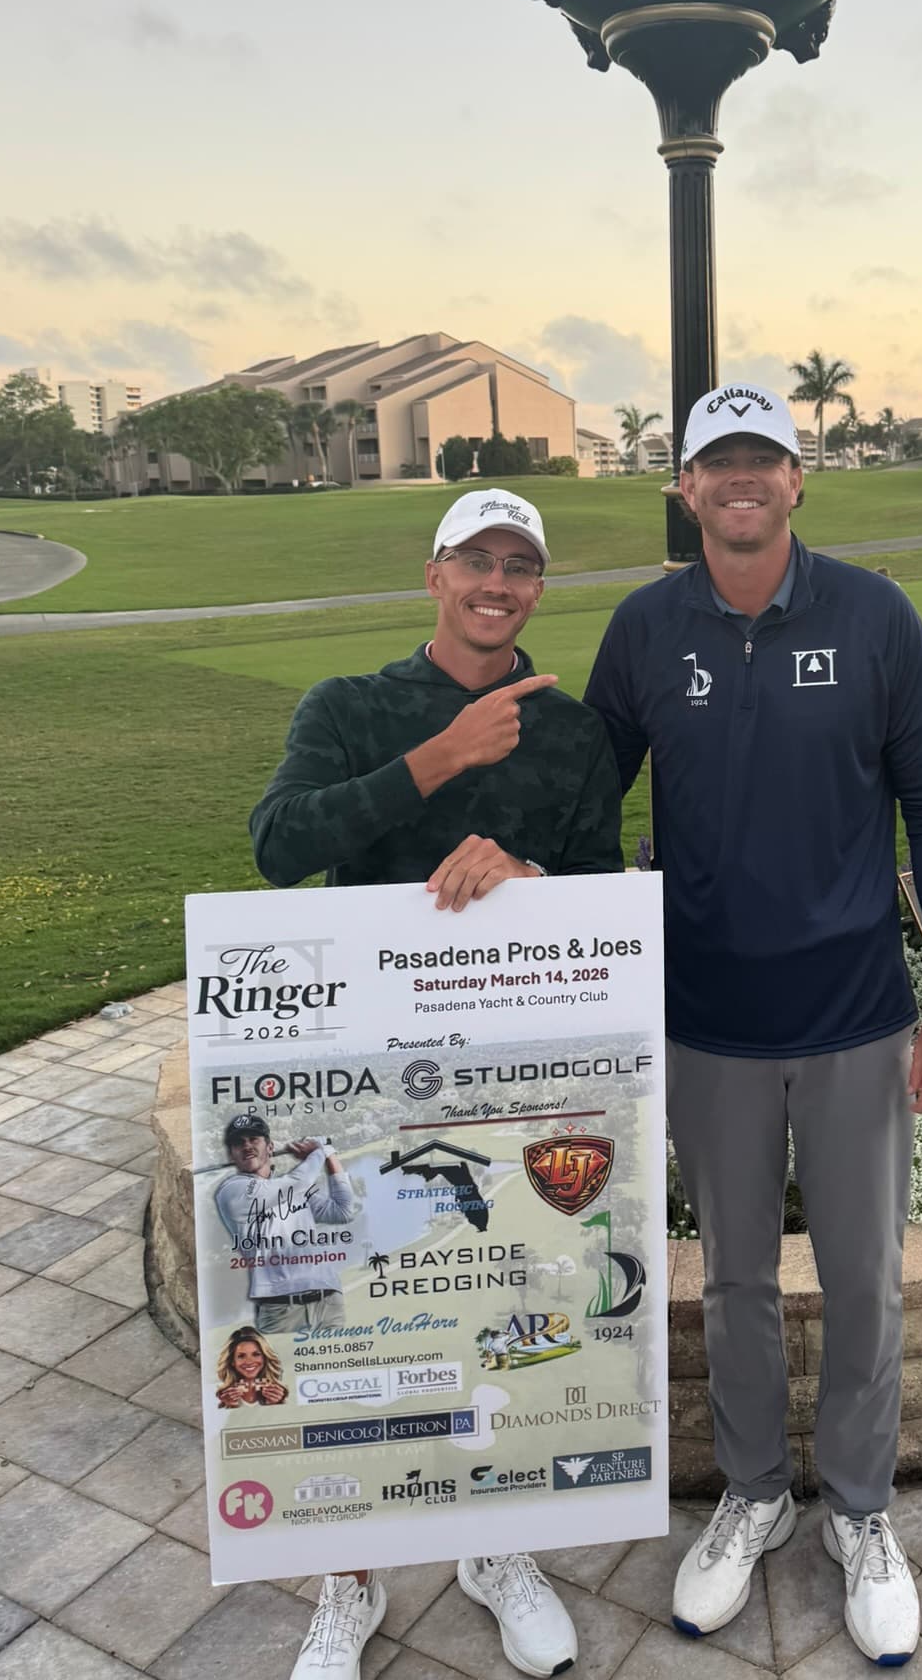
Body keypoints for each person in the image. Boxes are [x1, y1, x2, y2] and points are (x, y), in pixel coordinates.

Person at [583, 385, 922, 1667]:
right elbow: (581, 795)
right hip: (709, 1020)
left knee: (865, 1279)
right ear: (686, 487)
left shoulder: (874, 616)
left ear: (799, 479)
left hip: (855, 1012)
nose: (741, 478)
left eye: (764, 458)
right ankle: (754, 1491)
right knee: (737, 1280)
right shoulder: (645, 629)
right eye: (719, 461)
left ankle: (860, 1509)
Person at [249, 488, 624, 1680]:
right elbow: (278, 842)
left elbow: (600, 880)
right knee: (350, 1324)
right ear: (435, 573)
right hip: (360, 1078)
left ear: (538, 588)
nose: (496, 582)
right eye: (476, 559)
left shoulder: (573, 732)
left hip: (506, 1067)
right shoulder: (350, 706)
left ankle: (492, 1543)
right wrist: (441, 757)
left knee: (495, 1307)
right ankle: (350, 1575)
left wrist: (529, 872)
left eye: (520, 565)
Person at [213, 1112, 357, 1333]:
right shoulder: (232, 1190)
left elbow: (343, 1211)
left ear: (270, 1147)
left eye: (254, 1139)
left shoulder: (293, 1189)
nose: (247, 1146)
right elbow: (298, 1182)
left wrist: (330, 1155)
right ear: (232, 1155)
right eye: (238, 1143)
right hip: (279, 1307)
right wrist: (319, 1151)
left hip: (328, 1300)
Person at [216, 1325, 288, 1408]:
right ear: (232, 1361)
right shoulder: (221, 1394)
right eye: (241, 1356)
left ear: (265, 1357)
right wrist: (230, 1406)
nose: (249, 1361)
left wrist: (275, 1404)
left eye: (256, 1354)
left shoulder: (278, 1392)